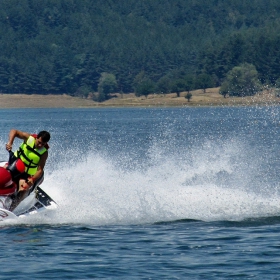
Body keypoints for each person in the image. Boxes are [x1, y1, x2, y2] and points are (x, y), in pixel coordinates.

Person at [5, 129, 51, 210]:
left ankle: (10, 210)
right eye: (39, 142)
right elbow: (14, 131)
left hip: (25, 174)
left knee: (23, 190)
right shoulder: (28, 138)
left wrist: (32, 180)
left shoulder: (44, 153)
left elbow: (40, 170)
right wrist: (10, 142)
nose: (40, 145)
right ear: (36, 138)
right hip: (14, 165)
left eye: (43, 144)